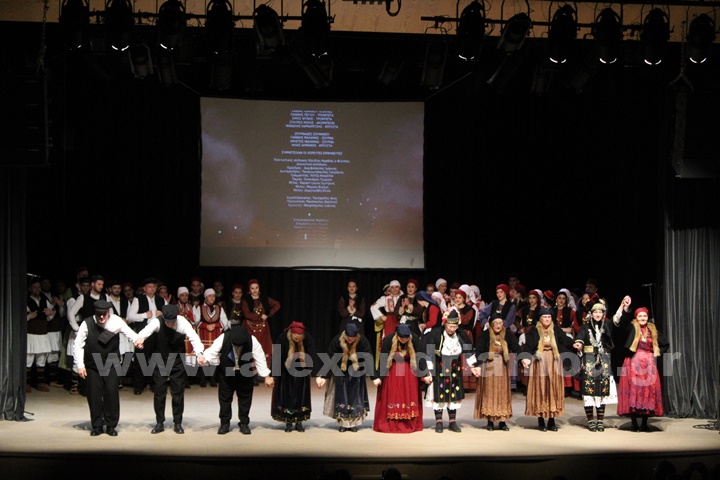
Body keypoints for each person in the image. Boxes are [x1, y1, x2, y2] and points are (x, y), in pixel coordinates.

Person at [135, 304, 207, 434]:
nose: (170, 324)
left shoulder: (182, 322)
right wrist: (139, 339)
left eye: (172, 321)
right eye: (167, 321)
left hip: (177, 359)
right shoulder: (157, 322)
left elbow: (194, 338)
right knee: (159, 392)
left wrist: (199, 353)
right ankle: (159, 423)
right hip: (160, 359)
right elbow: (145, 332)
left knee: (178, 393)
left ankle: (177, 423)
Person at [73, 300, 139, 436]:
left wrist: (138, 340)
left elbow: (130, 334)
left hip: (111, 363)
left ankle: (111, 425)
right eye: (99, 314)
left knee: (111, 393)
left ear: (108, 312)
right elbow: (78, 344)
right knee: (94, 395)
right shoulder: (87, 323)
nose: (102, 317)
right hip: (93, 364)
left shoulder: (116, 321)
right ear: (95, 313)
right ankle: (97, 425)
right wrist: (80, 365)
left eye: (104, 314)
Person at [203, 324, 273, 434]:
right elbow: (212, 351)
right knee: (225, 399)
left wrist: (266, 376)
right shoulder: (224, 337)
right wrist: (205, 359)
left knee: (245, 399)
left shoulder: (252, 340)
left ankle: (244, 423)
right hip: (226, 374)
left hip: (245, 374)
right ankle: (224, 423)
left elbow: (260, 357)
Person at [614, 296, 670, 432]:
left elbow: (665, 344)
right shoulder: (632, 327)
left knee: (647, 392)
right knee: (633, 391)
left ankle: (644, 423)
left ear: (647, 317)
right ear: (636, 317)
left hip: (648, 364)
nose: (643, 318)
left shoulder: (652, 329)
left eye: (644, 316)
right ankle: (634, 423)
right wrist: (625, 307)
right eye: (640, 316)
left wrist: (655, 353)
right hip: (633, 362)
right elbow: (623, 320)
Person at [421, 309, 474, 433]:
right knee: (438, 394)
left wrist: (473, 366)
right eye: (450, 326)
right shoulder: (436, 334)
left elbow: (468, 350)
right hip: (439, 367)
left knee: (453, 394)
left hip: (455, 368)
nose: (452, 329)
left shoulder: (461, 334)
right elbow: (428, 353)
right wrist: (428, 371)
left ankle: (452, 422)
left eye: (455, 327)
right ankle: (439, 422)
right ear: (445, 324)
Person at [523, 308, 574, 431]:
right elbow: (529, 346)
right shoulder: (534, 330)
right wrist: (526, 358)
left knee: (553, 388)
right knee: (540, 388)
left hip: (553, 361)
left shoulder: (555, 329)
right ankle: (541, 420)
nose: (547, 319)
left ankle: (551, 420)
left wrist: (574, 343)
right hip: (539, 361)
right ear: (540, 319)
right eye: (544, 317)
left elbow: (564, 339)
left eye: (549, 317)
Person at [471, 313, 522, 431]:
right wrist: (478, 365)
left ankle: (502, 421)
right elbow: (478, 350)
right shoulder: (485, 335)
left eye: (500, 323)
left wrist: (523, 358)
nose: (498, 326)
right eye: (496, 323)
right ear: (491, 324)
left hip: (502, 367)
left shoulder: (507, 334)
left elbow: (516, 347)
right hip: (488, 367)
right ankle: (490, 421)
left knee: (502, 393)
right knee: (489, 392)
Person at [319, 323, 373, 432]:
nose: (350, 340)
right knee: (341, 397)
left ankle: (353, 424)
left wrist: (374, 377)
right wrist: (324, 376)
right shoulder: (337, 340)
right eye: (348, 338)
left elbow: (368, 357)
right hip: (341, 372)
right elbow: (330, 358)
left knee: (355, 397)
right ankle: (343, 423)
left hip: (356, 372)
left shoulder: (362, 340)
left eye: (352, 338)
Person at [572, 303, 617, 432]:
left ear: (603, 314)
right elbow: (580, 338)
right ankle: (591, 420)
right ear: (591, 314)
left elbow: (617, 319)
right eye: (595, 312)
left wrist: (622, 307)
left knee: (602, 391)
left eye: (600, 312)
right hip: (589, 361)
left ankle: (600, 421)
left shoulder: (606, 326)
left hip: (603, 362)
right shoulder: (585, 327)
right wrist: (578, 344)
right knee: (588, 391)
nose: (598, 314)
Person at [372, 324, 423, 433]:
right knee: (394, 394)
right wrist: (379, 377)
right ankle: (392, 422)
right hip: (393, 371)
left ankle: (408, 421)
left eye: (406, 338)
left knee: (408, 394)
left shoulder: (414, 339)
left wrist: (425, 373)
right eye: (401, 338)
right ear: (397, 335)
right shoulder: (388, 340)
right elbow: (383, 359)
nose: (404, 340)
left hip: (409, 372)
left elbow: (420, 356)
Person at [271, 321, 319, 432]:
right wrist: (273, 374)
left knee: (300, 395)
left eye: (299, 337)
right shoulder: (283, 338)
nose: (297, 339)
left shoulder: (307, 338)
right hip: (285, 372)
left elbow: (312, 355)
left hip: (302, 371)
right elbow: (277, 356)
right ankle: (288, 421)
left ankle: (299, 421)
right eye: (295, 337)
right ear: (291, 334)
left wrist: (317, 374)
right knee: (286, 395)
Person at [126, 277, 166, 395]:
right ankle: (139, 385)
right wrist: (144, 315)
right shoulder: (138, 300)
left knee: (156, 359)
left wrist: (162, 314)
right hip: (144, 334)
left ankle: (155, 384)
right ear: (144, 288)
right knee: (141, 359)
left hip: (158, 334)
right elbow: (130, 317)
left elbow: (170, 314)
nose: (151, 289)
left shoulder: (161, 300)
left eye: (153, 286)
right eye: (149, 286)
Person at [242, 279, 281, 367]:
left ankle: (263, 370)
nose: (255, 290)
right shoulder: (246, 300)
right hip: (250, 327)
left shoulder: (263, 298)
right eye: (252, 288)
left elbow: (277, 305)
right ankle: (251, 370)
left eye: (256, 288)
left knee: (264, 347)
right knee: (251, 347)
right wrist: (260, 316)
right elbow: (246, 314)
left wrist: (269, 314)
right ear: (249, 289)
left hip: (262, 328)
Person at [26, 278, 55, 393]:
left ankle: (40, 383)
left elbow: (50, 315)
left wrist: (51, 313)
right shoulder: (26, 300)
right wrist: (29, 317)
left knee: (41, 360)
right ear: (30, 289)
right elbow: (19, 317)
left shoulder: (44, 300)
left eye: (38, 287)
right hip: (31, 334)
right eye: (35, 287)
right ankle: (27, 384)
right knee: (28, 360)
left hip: (43, 334)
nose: (37, 289)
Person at [197, 287, 228, 387]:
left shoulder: (219, 308)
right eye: (209, 296)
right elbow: (196, 321)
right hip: (204, 335)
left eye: (213, 296)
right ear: (205, 297)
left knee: (214, 356)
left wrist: (215, 325)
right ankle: (202, 379)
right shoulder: (200, 308)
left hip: (215, 335)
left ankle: (212, 379)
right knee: (203, 356)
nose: (212, 298)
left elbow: (225, 321)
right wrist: (206, 326)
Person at [370, 280, 403, 369]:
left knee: (401, 343)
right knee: (389, 342)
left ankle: (400, 368)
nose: (394, 289)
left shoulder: (404, 297)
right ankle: (387, 368)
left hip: (401, 321)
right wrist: (382, 316)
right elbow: (373, 306)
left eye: (396, 287)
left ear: (399, 288)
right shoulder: (385, 298)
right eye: (392, 287)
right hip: (390, 322)